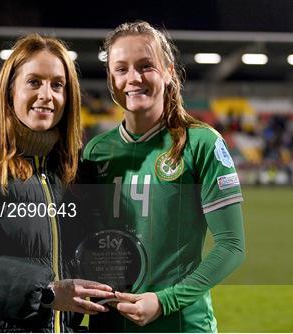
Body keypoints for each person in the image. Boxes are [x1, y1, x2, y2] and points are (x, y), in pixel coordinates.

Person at [0, 34, 114, 333]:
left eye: (57, 85)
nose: (46, 94)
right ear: (10, 89)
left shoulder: (75, 175)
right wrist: (47, 292)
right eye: (34, 82)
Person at [82, 21, 246, 332]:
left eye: (146, 66)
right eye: (121, 69)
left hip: (181, 324)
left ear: (168, 71)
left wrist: (165, 301)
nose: (134, 78)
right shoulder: (94, 151)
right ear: (110, 78)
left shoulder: (202, 144)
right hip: (110, 325)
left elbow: (232, 246)